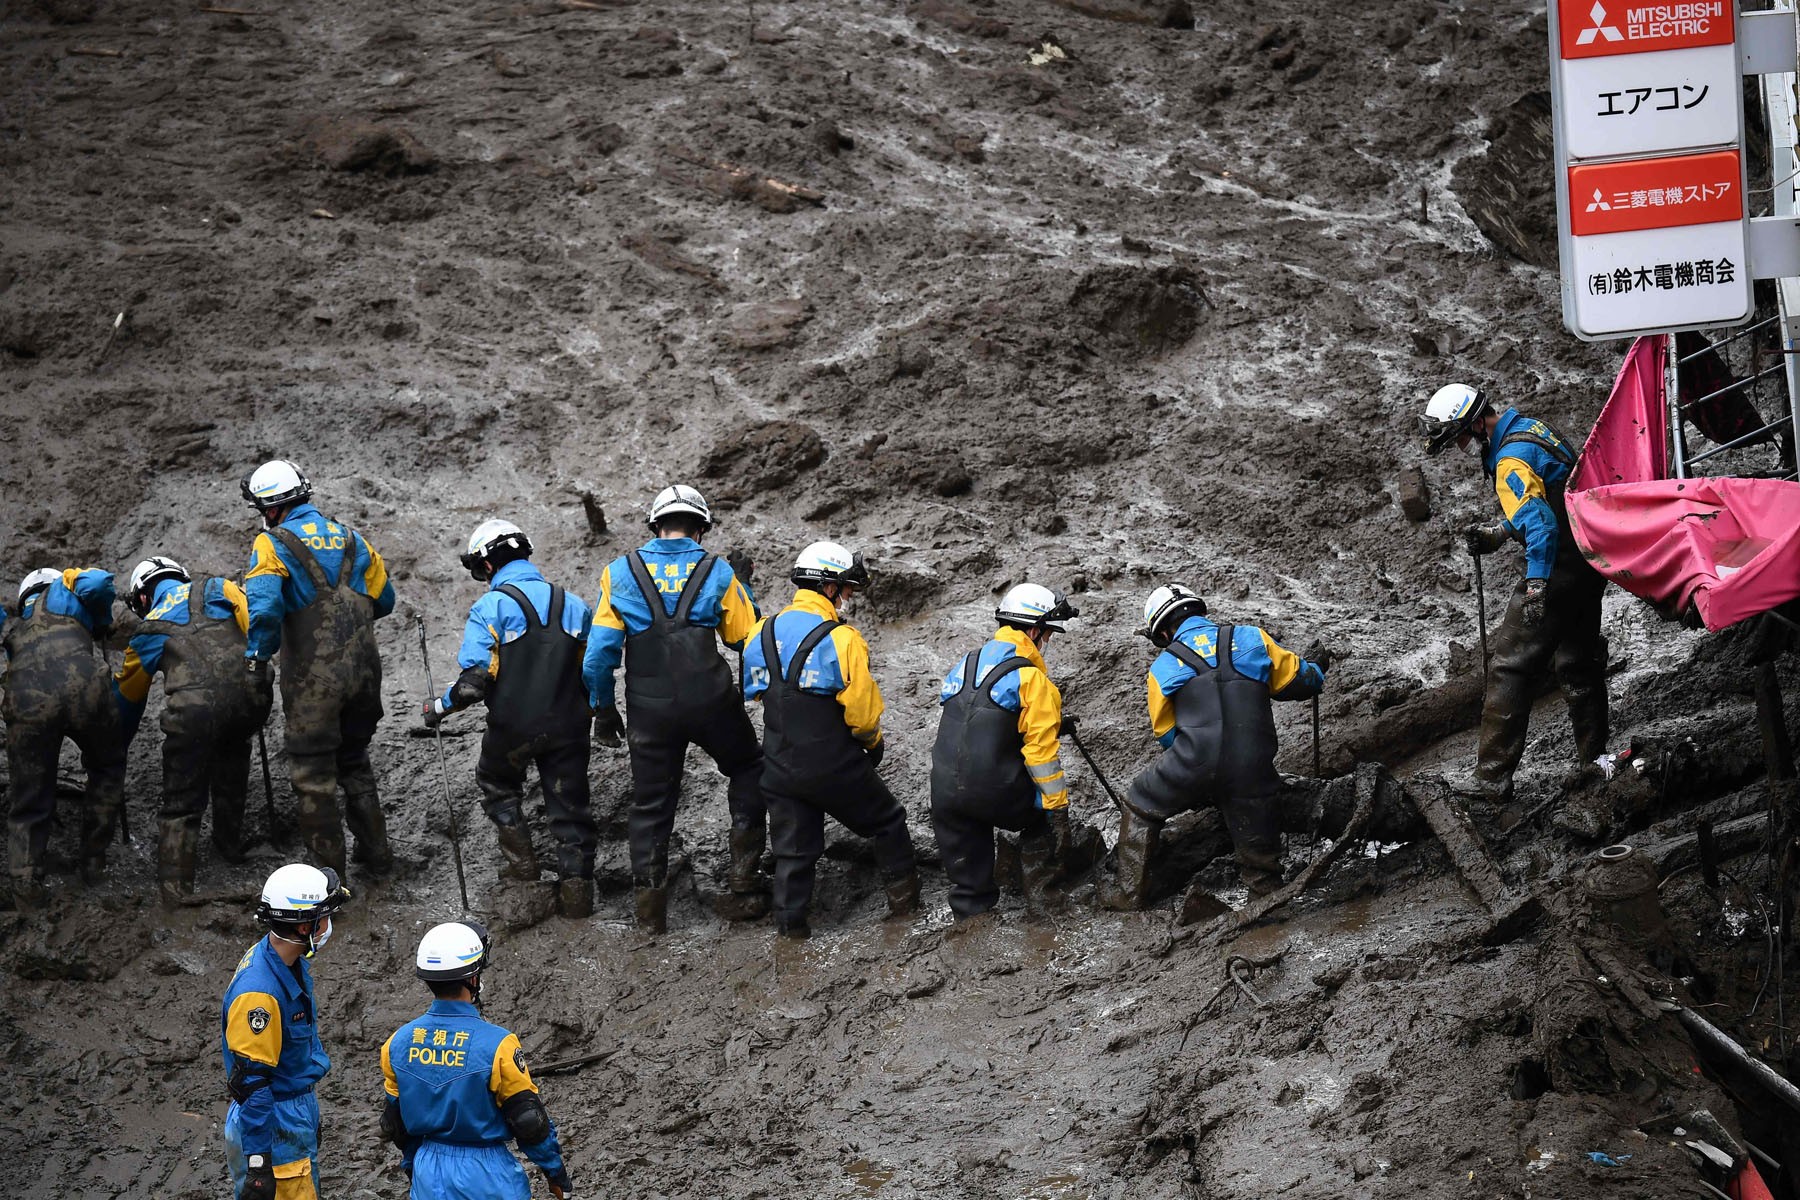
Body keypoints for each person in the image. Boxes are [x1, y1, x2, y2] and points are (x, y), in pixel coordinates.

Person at [581, 484, 765, 933]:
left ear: (655, 525)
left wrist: (603, 709)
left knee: (651, 806)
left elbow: (599, 654)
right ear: (700, 528)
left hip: (649, 708)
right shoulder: (717, 571)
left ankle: (649, 917)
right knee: (748, 768)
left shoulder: (618, 573)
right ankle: (743, 876)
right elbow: (748, 639)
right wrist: (744, 587)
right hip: (712, 700)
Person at [1420, 383, 1608, 801]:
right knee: (1578, 660)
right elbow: (1549, 495)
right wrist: (1500, 532)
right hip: (1588, 559)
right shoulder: (1532, 429)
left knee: (1511, 665)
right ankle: (1594, 759)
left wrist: (1538, 585)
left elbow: (1541, 524)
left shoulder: (1508, 462)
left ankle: (1491, 778)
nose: (1461, 448)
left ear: (1475, 424)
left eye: (1461, 438)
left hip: (1556, 565)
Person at [1101, 584, 1328, 909]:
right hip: (1253, 768)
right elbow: (1301, 681)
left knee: (1139, 800)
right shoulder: (1253, 638)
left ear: (1163, 633)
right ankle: (1266, 908)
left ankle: (1129, 896)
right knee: (1262, 860)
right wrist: (1317, 667)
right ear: (1200, 612)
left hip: (1193, 762)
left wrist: (1198, 778)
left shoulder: (1163, 667)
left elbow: (1166, 734)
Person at [743, 541, 918, 938]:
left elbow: (753, 692)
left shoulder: (761, 631)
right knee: (888, 822)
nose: (849, 599)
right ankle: (906, 914)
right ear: (829, 587)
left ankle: (790, 938)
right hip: (832, 764)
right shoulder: (843, 638)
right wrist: (873, 746)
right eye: (848, 590)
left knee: (793, 853)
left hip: (777, 764)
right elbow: (862, 714)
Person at [423, 520, 598, 918]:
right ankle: (577, 903)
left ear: (486, 566)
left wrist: (438, 708)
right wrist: (601, 713)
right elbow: (594, 669)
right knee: (571, 808)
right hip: (570, 727)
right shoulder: (574, 604)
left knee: (497, 782)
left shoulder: (491, 606)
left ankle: (523, 869)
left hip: (513, 729)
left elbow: (472, 684)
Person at [241, 460, 395, 879]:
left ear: (270, 508)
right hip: (364, 676)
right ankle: (378, 860)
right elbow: (385, 601)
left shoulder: (271, 544)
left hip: (314, 683)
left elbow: (267, 607)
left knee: (313, 775)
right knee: (355, 761)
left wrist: (256, 660)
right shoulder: (353, 538)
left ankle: (330, 880)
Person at [929, 583, 1102, 919]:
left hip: (944, 792)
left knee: (968, 888)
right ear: (1035, 631)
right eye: (1048, 635)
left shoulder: (965, 663)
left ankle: (970, 926)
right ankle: (1045, 906)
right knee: (1042, 820)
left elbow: (975, 717)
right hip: (995, 795)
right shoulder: (1031, 679)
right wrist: (1057, 811)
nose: (1048, 643)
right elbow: (1041, 757)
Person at [116, 557, 273, 905]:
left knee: (181, 798)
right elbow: (257, 624)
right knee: (233, 748)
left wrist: (115, 748)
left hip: (193, 715)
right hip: (250, 701)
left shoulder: (147, 631)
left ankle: (175, 888)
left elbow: (128, 700)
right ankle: (229, 844)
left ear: (143, 598)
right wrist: (260, 677)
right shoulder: (220, 587)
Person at [379, 922, 575, 1200]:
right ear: (473, 978)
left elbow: (395, 1122)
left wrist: (414, 1165)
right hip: (486, 1173)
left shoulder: (396, 1043)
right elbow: (529, 1121)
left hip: (428, 1168)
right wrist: (555, 1173)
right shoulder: (499, 1044)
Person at [221, 862, 351, 1200]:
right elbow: (253, 1083)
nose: (328, 924)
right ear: (304, 925)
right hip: (272, 1124)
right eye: (324, 916)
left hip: (290, 1112)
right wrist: (260, 1164)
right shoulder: (259, 995)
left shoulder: (282, 961)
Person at [3, 566, 124, 904]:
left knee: (28, 793)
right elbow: (99, 581)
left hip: (26, 698)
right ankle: (93, 861)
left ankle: (25, 883)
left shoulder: (14, 621)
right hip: (85, 687)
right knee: (107, 767)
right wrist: (100, 619)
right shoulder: (64, 592)